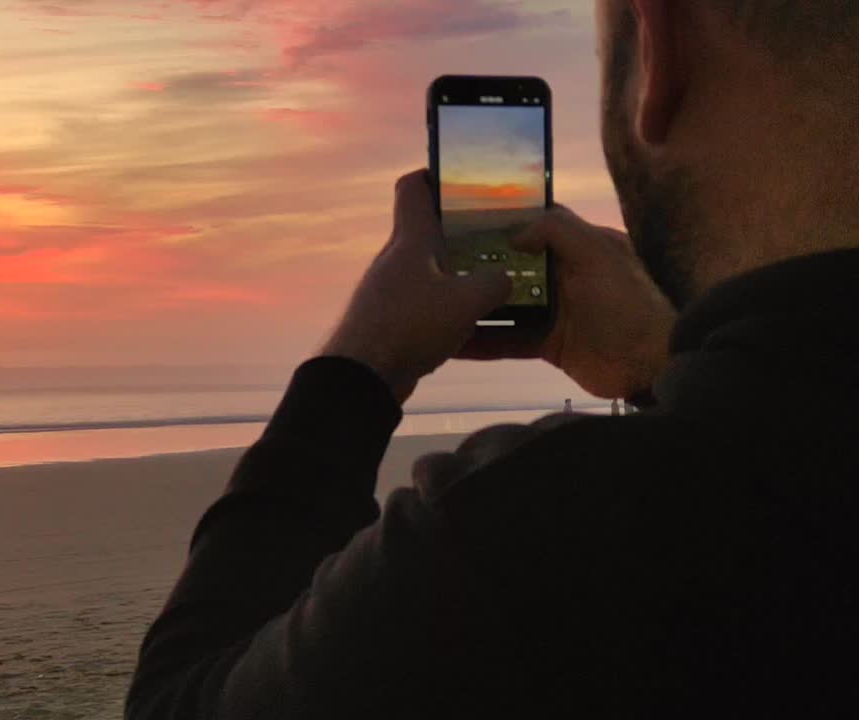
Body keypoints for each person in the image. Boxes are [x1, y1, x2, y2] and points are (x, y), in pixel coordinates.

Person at [125, 1, 859, 715]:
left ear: (659, 43)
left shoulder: (537, 538)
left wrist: (360, 365)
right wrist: (670, 358)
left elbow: (176, 703)